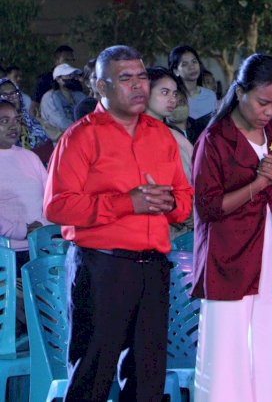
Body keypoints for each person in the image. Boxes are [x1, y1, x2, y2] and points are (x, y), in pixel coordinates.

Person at [43, 45, 193, 401]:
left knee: (147, 379)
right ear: (101, 86)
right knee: (92, 375)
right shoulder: (81, 136)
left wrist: (170, 203)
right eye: (126, 78)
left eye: (142, 76)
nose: (138, 85)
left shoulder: (161, 136)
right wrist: (128, 203)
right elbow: (57, 207)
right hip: (102, 266)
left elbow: (184, 200)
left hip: (153, 267)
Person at [192, 54, 272, 401]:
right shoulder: (215, 139)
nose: (270, 111)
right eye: (262, 102)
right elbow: (209, 207)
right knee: (227, 350)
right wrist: (257, 184)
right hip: (228, 257)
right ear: (239, 92)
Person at [145, 67, 195, 240]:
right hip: (157, 224)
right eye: (164, 92)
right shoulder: (137, 133)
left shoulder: (170, 133)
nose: (172, 99)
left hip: (182, 218)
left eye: (174, 94)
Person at [0, 99, 49, 252]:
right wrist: (22, 230)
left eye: (16, 120)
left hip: (42, 245)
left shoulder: (30, 157)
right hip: (6, 253)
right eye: (4, 121)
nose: (13, 126)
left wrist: (43, 224)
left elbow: (51, 197)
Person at [0, 78, 53, 164]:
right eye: (5, 95)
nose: (11, 98)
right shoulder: (2, 126)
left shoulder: (30, 119)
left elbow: (50, 143)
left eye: (14, 93)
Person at [169, 45, 216, 139]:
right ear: (176, 71)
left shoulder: (210, 96)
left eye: (194, 62)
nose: (192, 67)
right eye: (184, 64)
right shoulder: (174, 98)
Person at [40, 63, 86, 139]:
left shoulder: (78, 95)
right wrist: (82, 130)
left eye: (74, 75)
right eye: (68, 76)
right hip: (60, 142)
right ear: (58, 79)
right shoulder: (50, 97)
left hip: (78, 136)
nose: (72, 78)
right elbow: (61, 122)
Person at [32, 45, 75, 117]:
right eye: (66, 60)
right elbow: (34, 108)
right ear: (56, 61)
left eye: (72, 60)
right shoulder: (44, 80)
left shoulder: (75, 80)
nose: (69, 63)